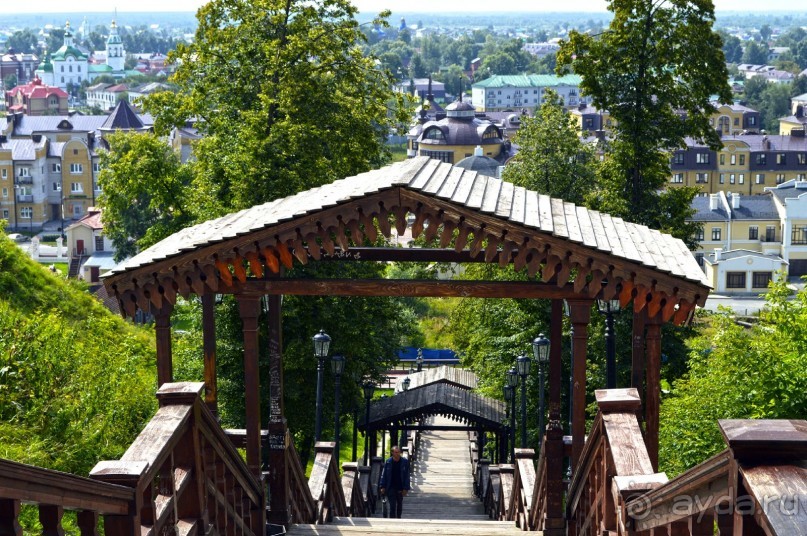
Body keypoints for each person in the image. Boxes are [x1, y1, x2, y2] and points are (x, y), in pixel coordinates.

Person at [379, 445, 411, 518]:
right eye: (396, 452)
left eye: (398, 452)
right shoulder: (388, 462)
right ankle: (392, 520)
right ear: (392, 453)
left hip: (400, 487)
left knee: (399, 504)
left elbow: (407, 476)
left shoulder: (405, 462)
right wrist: (382, 486)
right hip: (391, 487)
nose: (397, 454)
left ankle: (398, 517)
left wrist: (406, 488)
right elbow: (384, 475)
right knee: (392, 505)